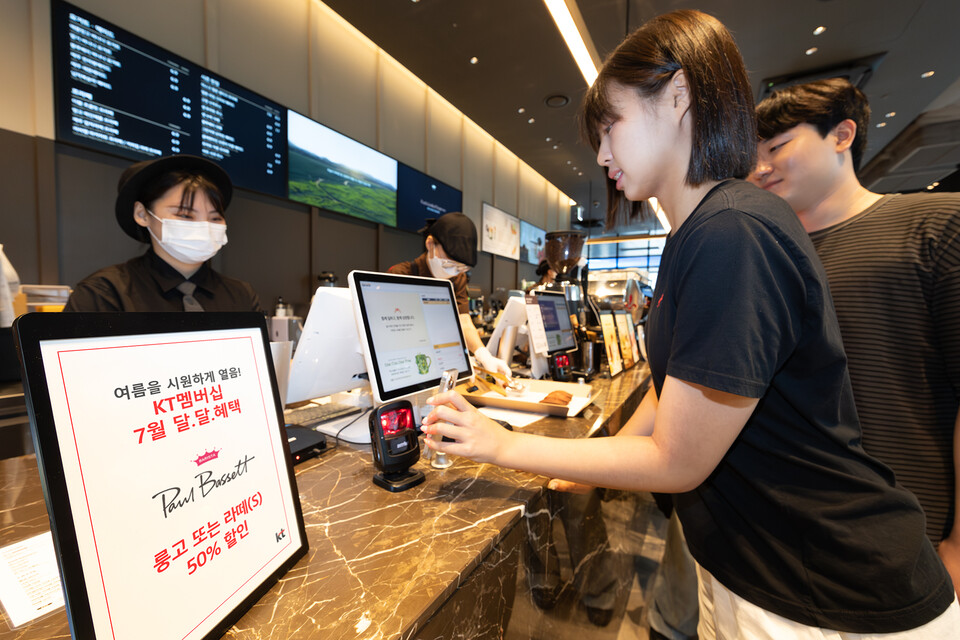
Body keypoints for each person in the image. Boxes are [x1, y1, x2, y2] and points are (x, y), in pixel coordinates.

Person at [421, 9, 959, 638]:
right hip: (757, 566)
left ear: (678, 95)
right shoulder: (698, 232)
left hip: (823, 588)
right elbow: (672, 392)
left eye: (610, 126)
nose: (602, 153)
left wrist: (503, 445)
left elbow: (677, 459)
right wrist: (587, 461)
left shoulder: (732, 230)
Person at [749, 77, 960, 593]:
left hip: (903, 545)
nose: (760, 168)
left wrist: (959, 546)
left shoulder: (936, 224)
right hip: (774, 543)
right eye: (752, 156)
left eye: (777, 147)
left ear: (842, 135)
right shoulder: (765, 257)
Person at [64, 154, 262, 313]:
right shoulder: (102, 294)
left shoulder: (241, 295)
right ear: (142, 214)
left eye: (215, 218)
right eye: (185, 215)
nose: (204, 226)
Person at [389, 212, 511, 376]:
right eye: (448, 264)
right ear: (430, 244)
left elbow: (463, 320)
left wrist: (483, 354)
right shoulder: (400, 275)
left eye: (461, 268)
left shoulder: (457, 279)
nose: (453, 272)